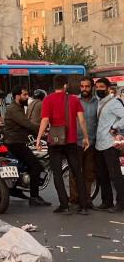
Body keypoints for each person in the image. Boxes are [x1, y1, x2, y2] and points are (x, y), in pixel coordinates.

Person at [36, 75, 91, 215]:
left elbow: (45, 120)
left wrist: (38, 138)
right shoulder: (73, 99)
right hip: (71, 141)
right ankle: (83, 205)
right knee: (77, 172)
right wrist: (85, 137)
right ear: (65, 86)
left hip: (54, 141)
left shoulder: (48, 99)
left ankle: (64, 205)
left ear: (54, 86)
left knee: (57, 174)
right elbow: (82, 120)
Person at [3, 86, 50, 207]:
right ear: (17, 96)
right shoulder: (14, 109)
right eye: (24, 95)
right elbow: (27, 124)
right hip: (15, 143)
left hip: (17, 141)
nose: (27, 97)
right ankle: (34, 197)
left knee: (30, 164)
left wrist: (39, 134)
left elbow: (24, 126)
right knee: (36, 166)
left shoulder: (18, 107)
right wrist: (42, 132)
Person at [93, 77, 124, 212]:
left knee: (115, 175)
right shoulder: (98, 102)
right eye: (97, 87)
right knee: (102, 175)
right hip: (99, 144)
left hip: (110, 144)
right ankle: (107, 201)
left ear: (108, 88)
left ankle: (121, 203)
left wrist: (115, 126)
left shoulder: (114, 102)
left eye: (102, 87)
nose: (99, 89)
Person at [70, 78, 100, 206]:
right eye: (82, 86)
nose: (84, 89)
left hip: (92, 143)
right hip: (76, 142)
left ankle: (87, 199)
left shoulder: (97, 103)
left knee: (89, 173)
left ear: (92, 87)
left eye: (87, 86)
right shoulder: (74, 101)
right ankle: (75, 199)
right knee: (75, 172)